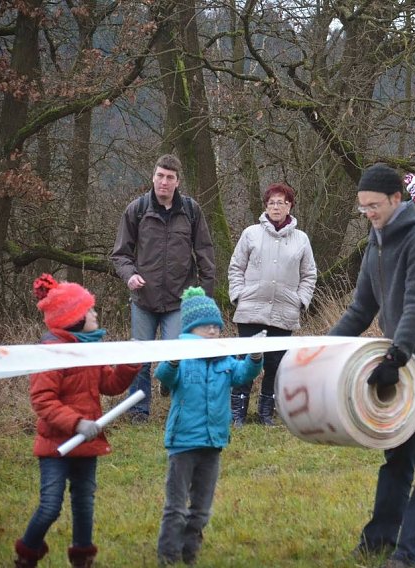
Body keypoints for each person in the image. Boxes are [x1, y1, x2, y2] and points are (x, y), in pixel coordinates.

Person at [329, 163, 415, 568]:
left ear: (396, 199)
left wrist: (394, 356)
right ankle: (379, 540)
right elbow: (360, 310)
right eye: (362, 208)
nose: (368, 213)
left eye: (374, 205)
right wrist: (320, 349)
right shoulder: (376, 242)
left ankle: (411, 554)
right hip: (403, 366)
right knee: (396, 459)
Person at [14, 274, 141, 568]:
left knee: (84, 503)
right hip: (56, 445)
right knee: (50, 507)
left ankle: (83, 557)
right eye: (89, 310)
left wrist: (129, 362)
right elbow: (43, 401)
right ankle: (27, 554)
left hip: (86, 444)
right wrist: (76, 424)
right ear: (73, 318)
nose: (95, 314)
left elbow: (109, 384)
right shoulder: (50, 353)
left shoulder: (90, 349)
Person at [154, 287, 263, 566]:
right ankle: (168, 555)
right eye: (207, 327)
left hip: (214, 443)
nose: (214, 332)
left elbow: (242, 375)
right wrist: (173, 361)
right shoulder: (181, 356)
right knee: (176, 507)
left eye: (217, 327)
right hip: (183, 443)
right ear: (191, 329)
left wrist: (254, 356)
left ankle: (190, 551)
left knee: (201, 509)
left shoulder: (225, 359)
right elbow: (164, 377)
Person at [111, 154, 216, 423]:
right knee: (141, 358)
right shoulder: (136, 210)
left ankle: (178, 407)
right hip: (143, 299)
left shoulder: (191, 211)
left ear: (177, 181)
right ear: (153, 177)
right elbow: (120, 254)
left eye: (169, 177)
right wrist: (130, 275)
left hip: (179, 300)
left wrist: (203, 295)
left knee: (177, 357)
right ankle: (138, 410)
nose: (164, 182)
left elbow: (205, 253)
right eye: (160, 176)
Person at [228, 182, 317, 426]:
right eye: (272, 202)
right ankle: (237, 412)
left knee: (276, 364)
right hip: (251, 309)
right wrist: (238, 294)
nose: (276, 207)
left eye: (281, 202)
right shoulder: (251, 234)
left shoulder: (301, 239)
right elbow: (236, 267)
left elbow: (309, 274)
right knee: (246, 360)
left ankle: (266, 413)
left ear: (290, 206)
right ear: (266, 206)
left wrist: (301, 301)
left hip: (284, 311)